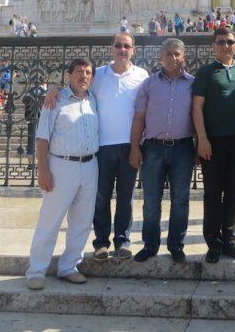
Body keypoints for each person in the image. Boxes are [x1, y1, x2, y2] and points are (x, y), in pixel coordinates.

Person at [45, 33, 149, 260]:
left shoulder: (142, 75)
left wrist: (137, 146)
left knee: (126, 197)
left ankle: (122, 240)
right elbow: (76, 84)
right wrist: (54, 87)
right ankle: (101, 242)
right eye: (118, 45)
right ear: (111, 49)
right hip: (102, 147)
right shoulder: (98, 73)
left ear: (134, 49)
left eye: (127, 46)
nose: (122, 49)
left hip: (129, 145)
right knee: (100, 197)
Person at [26, 58, 99, 291]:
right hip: (62, 165)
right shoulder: (55, 101)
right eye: (79, 71)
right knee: (50, 220)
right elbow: (42, 137)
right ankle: (36, 270)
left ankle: (69, 266)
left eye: (88, 72)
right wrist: (43, 169)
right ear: (69, 75)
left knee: (82, 220)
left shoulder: (93, 100)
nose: (84, 76)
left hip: (90, 165)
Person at [129, 39, 195, 263]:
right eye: (168, 53)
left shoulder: (193, 84)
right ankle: (150, 244)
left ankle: (176, 244)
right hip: (153, 148)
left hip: (183, 147)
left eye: (177, 54)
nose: (173, 58)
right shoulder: (148, 84)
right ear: (160, 57)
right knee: (151, 200)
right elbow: (139, 118)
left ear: (183, 57)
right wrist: (134, 147)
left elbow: (197, 117)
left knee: (181, 200)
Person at [192, 28, 235, 262]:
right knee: (212, 192)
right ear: (214, 45)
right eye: (221, 42)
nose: (226, 45)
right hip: (213, 142)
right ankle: (212, 241)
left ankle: (228, 237)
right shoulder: (206, 72)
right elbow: (197, 107)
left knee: (234, 192)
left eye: (230, 42)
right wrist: (202, 139)